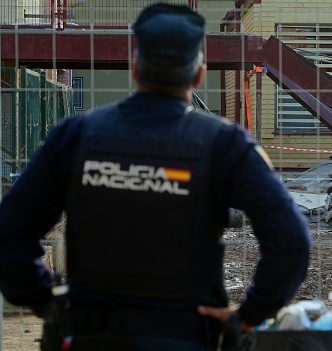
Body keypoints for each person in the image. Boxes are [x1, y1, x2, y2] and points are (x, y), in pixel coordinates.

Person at [0, 4, 311, 350]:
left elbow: (10, 234)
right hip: (187, 335)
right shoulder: (226, 145)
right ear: (198, 75)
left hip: (93, 335)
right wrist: (249, 316)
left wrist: (49, 302)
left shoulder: (75, 136)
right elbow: (292, 242)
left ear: (135, 68)